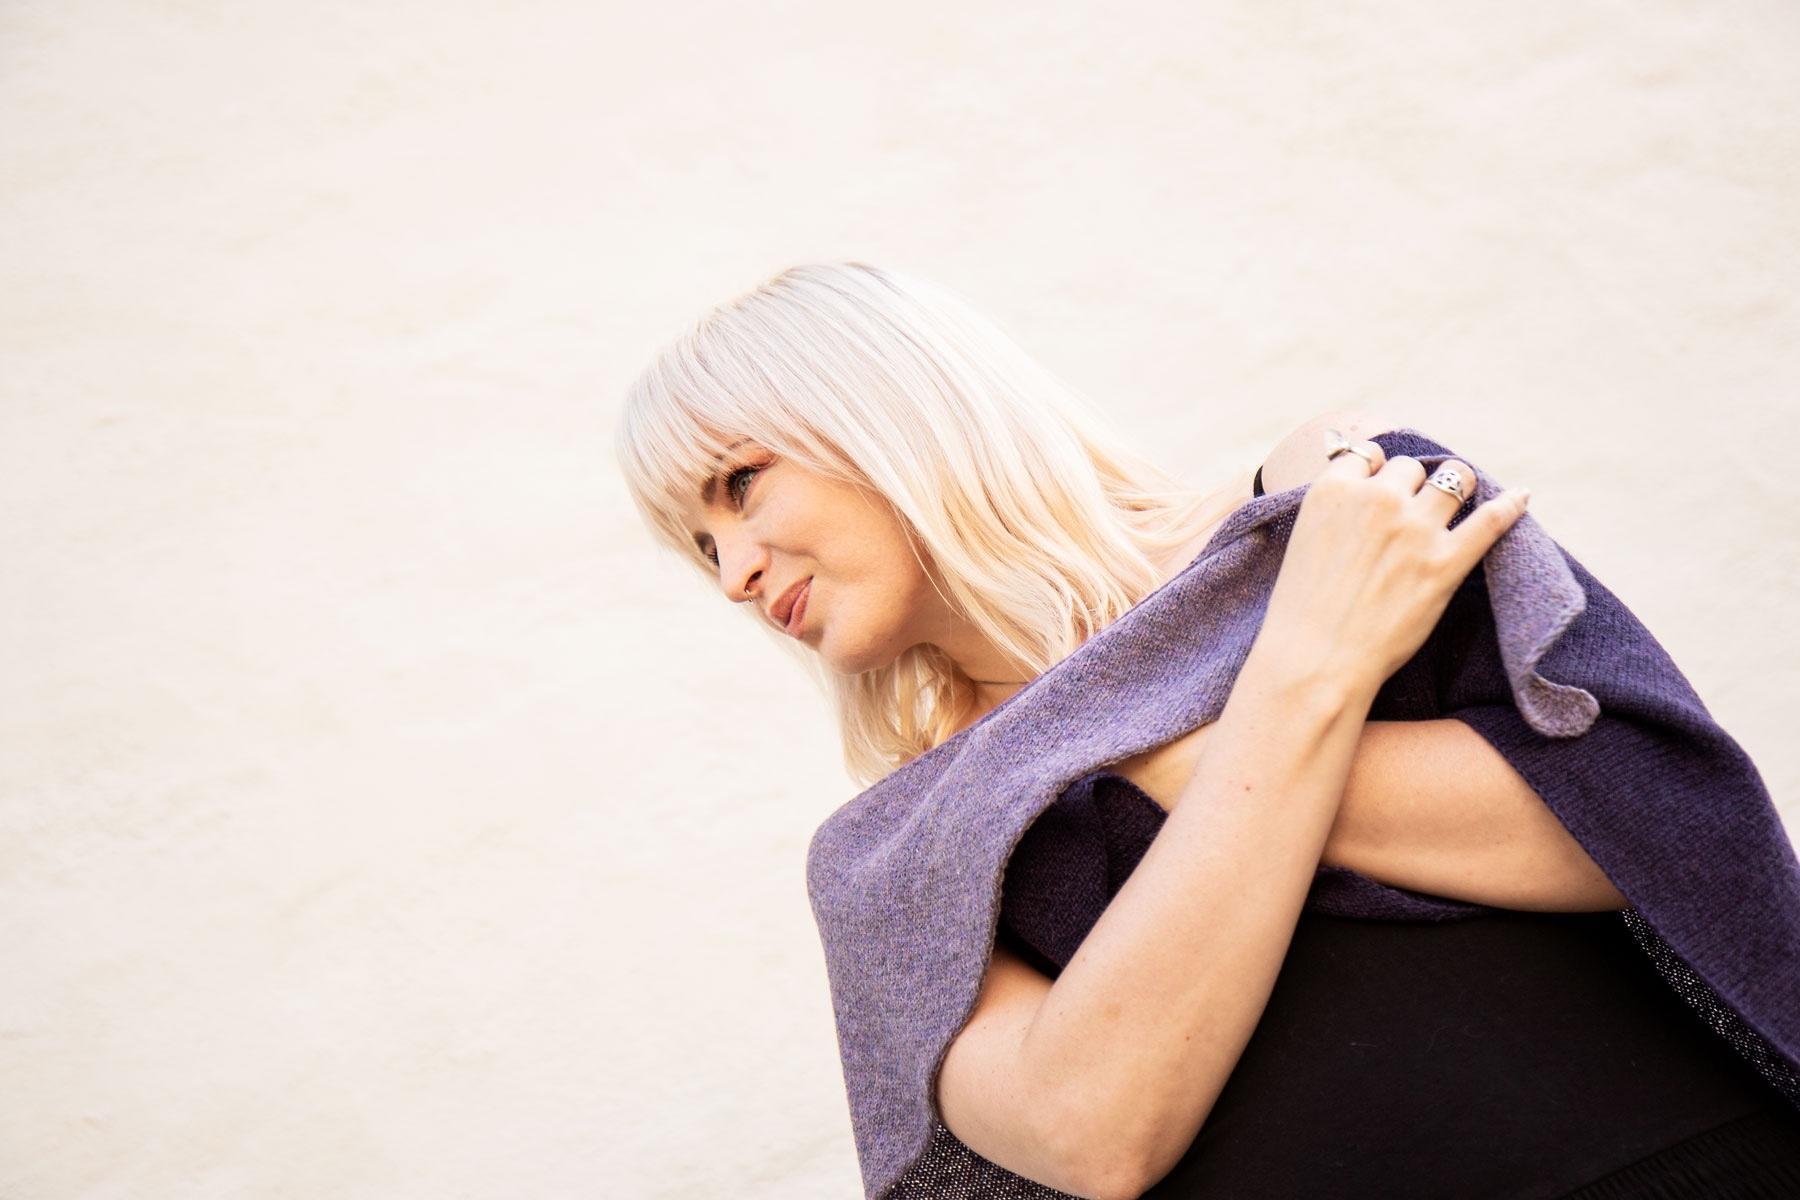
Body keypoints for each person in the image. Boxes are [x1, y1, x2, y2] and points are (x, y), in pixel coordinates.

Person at [614, 261, 1800, 1197]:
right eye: (702, 546)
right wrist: (1306, 665)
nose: (733, 574)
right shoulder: (893, 853)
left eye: (739, 485)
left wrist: (1134, 729)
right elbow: (1088, 1131)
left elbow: (1646, 835)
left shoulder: (1326, 511)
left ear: (882, 408)